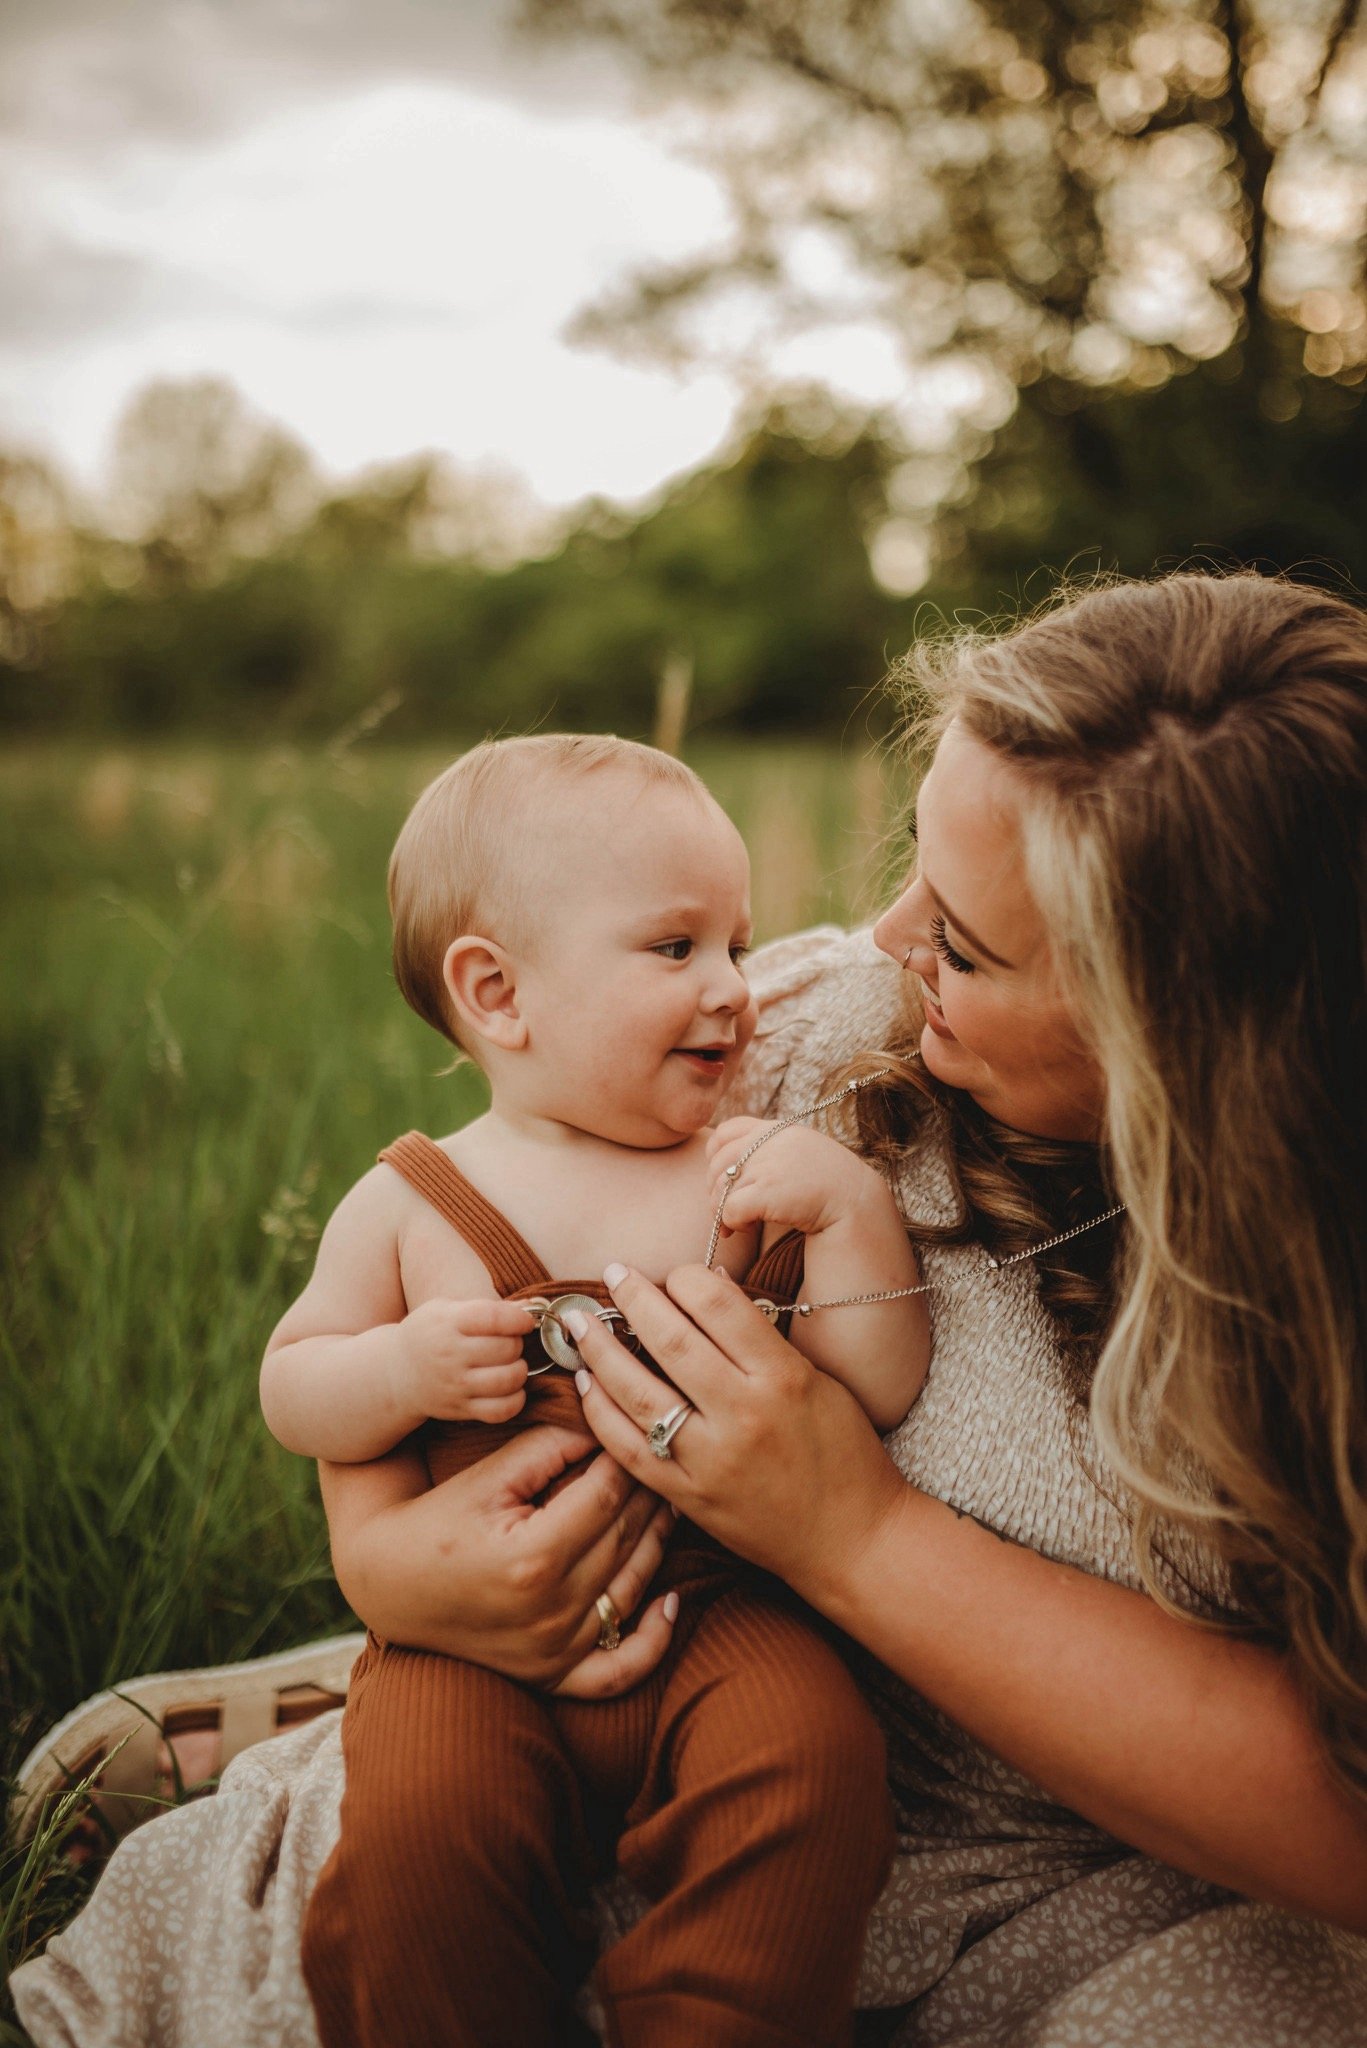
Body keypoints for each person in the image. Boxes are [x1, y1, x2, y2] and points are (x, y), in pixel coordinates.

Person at [12, 571, 1367, 2048]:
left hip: (963, 1812)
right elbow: (355, 1352)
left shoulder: (1293, 1306)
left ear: (1183, 1041)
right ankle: (333, 1705)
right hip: (588, 1654)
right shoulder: (800, 1048)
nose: (882, 936)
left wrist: (854, 1531)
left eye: (966, 947)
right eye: (913, 868)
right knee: (417, 1870)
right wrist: (390, 1564)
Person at [260, 732, 927, 2047]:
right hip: (465, 1646)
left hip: (715, 1610)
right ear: (498, 994)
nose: (735, 988)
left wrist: (852, 1219)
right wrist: (399, 1367)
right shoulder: (414, 1202)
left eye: (738, 944)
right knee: (416, 1833)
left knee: (817, 1766)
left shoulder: (746, 1170)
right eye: (677, 948)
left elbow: (879, 1387)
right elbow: (294, 1387)